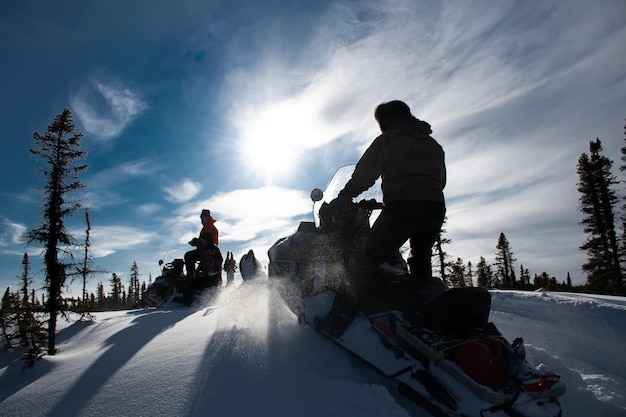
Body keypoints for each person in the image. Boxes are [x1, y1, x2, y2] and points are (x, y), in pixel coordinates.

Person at [316, 100, 447, 337]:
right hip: (435, 208)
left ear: (386, 120)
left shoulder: (389, 139)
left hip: (404, 207)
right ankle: (423, 318)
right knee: (420, 261)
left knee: (363, 259)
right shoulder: (433, 144)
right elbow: (441, 181)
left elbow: (365, 175)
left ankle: (338, 321)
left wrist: (345, 196)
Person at [184, 209, 219, 277]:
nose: (202, 220)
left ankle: (190, 277)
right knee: (191, 256)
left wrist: (196, 242)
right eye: (201, 218)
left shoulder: (209, 227)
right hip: (209, 251)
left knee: (188, 256)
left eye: (204, 217)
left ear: (208, 217)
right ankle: (194, 274)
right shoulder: (207, 227)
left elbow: (206, 241)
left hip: (208, 251)